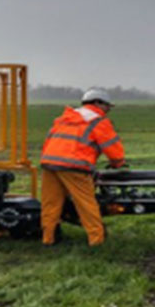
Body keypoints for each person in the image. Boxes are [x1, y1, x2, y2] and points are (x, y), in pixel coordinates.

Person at [39, 88, 126, 246]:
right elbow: (112, 146)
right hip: (74, 166)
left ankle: (48, 239)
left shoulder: (65, 118)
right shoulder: (98, 120)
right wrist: (118, 164)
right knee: (86, 204)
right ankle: (96, 241)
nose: (108, 110)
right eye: (107, 106)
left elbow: (49, 140)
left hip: (49, 164)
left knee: (50, 204)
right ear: (98, 103)